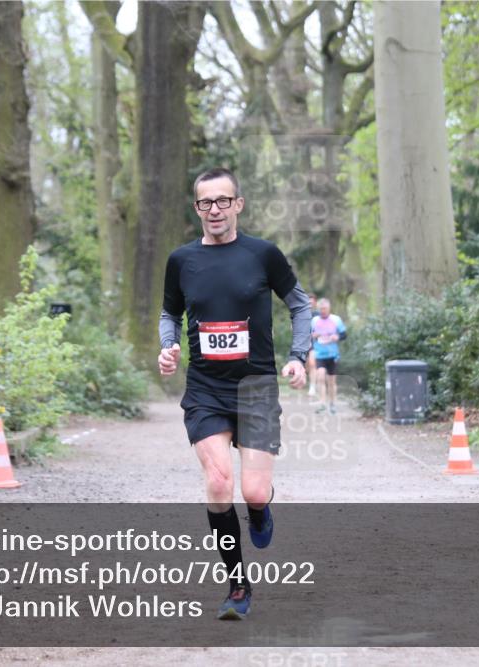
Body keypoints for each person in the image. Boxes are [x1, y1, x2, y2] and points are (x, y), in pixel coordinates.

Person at [158, 167, 311, 621]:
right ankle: (238, 586)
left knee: (254, 491)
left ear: (238, 204)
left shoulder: (263, 254)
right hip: (206, 389)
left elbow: (300, 305)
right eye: (206, 203)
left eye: (223, 201)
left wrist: (298, 355)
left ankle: (261, 510)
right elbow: (170, 313)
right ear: (197, 208)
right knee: (220, 483)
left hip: (257, 388)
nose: (215, 210)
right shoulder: (181, 260)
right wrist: (168, 348)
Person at [310, 298, 346, 414]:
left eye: (325, 309)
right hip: (319, 354)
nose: (323, 311)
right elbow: (308, 334)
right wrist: (313, 335)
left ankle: (333, 404)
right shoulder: (314, 320)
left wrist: (337, 337)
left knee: (331, 381)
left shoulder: (336, 320)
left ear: (329, 308)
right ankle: (322, 403)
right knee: (320, 377)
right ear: (318, 309)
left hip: (332, 355)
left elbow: (344, 334)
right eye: (321, 309)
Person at [306, 293, 319, 397]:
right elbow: (293, 328)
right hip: (302, 342)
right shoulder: (300, 313)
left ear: (315, 303)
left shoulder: (318, 315)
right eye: (308, 302)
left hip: (314, 342)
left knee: (312, 363)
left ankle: (312, 387)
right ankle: (308, 381)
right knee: (306, 366)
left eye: (312, 302)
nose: (310, 304)